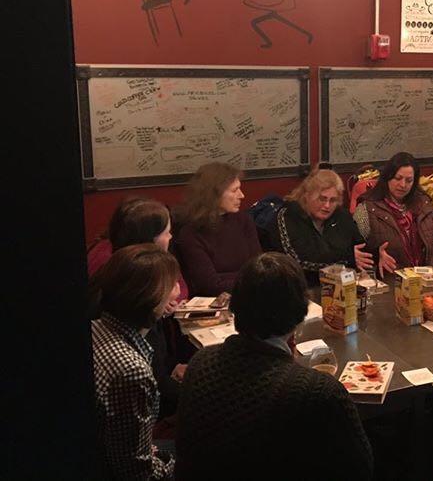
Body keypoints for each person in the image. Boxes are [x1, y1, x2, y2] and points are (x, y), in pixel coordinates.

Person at [176, 253, 373, 480]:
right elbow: (360, 467)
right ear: (301, 310)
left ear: (236, 305)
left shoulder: (201, 362)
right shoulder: (318, 390)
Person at [88, 197, 190, 420]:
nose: (171, 238)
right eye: (167, 232)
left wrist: (170, 370)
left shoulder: (122, 270)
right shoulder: (127, 292)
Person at [90, 244, 182, 480]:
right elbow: (136, 472)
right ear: (150, 299)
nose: (178, 292)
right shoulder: (131, 370)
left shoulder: (96, 327)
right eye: (172, 286)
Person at [268, 167, 373, 284]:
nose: (327, 206)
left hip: (339, 287)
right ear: (307, 196)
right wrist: (347, 258)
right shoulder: (287, 215)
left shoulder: (341, 216)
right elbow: (298, 262)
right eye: (322, 199)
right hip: (299, 288)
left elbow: (360, 248)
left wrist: (377, 254)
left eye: (333, 200)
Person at [174, 162, 262, 296]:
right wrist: (249, 278)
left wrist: (225, 277)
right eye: (234, 190)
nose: (242, 195)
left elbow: (260, 267)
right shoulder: (191, 233)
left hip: (249, 296)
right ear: (214, 194)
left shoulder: (243, 220)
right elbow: (209, 285)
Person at [353, 152, 433, 276]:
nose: (403, 185)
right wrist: (376, 255)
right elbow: (355, 250)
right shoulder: (367, 208)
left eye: (409, 180)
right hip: (388, 280)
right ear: (388, 177)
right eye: (398, 178)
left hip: (425, 278)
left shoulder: (423, 204)